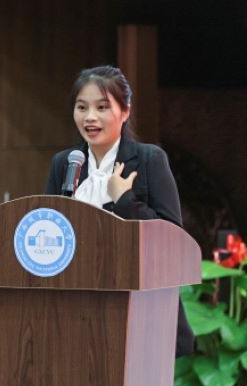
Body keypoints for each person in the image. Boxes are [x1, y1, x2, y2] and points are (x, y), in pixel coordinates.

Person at [44, 65, 194, 357]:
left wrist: (124, 199)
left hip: (141, 310)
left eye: (102, 107)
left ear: (125, 112)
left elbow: (172, 240)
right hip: (75, 310)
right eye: (82, 107)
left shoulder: (150, 160)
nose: (90, 117)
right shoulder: (65, 164)